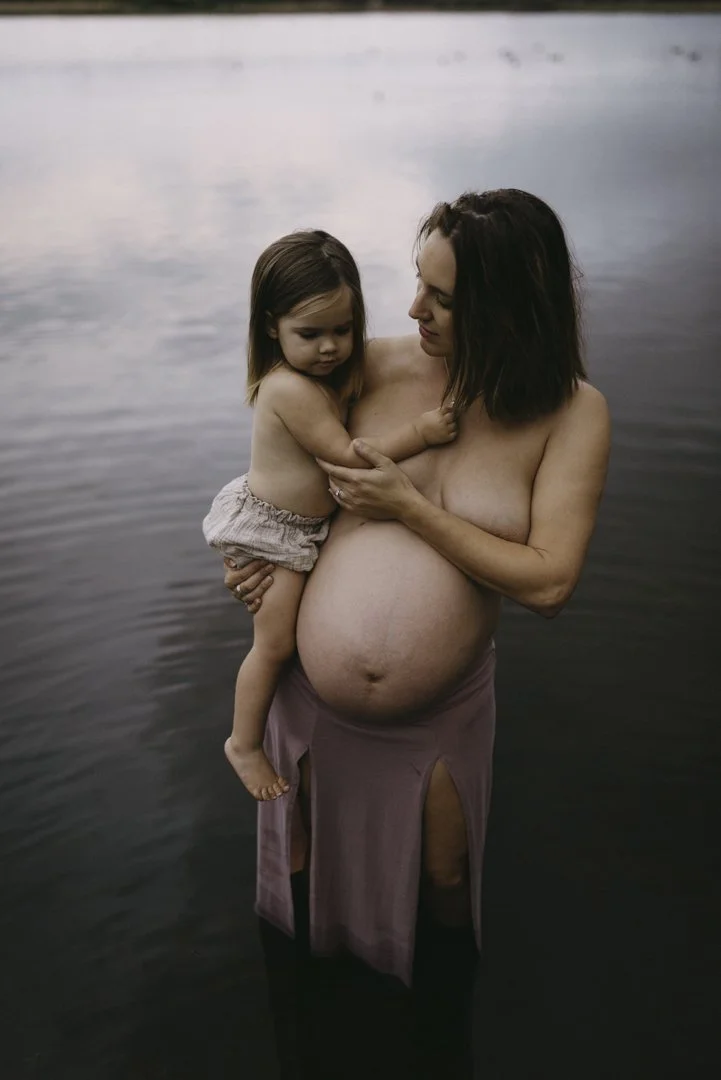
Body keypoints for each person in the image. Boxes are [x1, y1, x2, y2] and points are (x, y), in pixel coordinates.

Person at [223, 191, 611, 1006]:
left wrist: (409, 508)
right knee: (301, 862)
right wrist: (245, 551)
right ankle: (310, 1018)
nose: (412, 309)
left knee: (445, 878)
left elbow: (548, 582)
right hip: (307, 689)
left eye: (442, 298)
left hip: (439, 710)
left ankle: (436, 1030)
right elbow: (284, 464)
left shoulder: (571, 412)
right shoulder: (364, 364)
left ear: (507, 307)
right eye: (417, 282)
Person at [202, 230, 457, 802]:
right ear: (272, 327)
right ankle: (243, 743)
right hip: (274, 533)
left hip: (298, 526)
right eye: (310, 334)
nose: (330, 348)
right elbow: (346, 458)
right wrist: (421, 432)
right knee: (272, 646)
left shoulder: (324, 379)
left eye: (343, 330)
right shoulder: (289, 390)